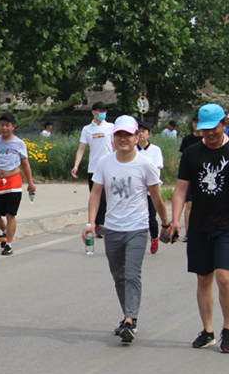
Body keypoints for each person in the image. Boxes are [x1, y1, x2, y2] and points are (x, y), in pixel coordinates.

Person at [171, 103, 229, 353]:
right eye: (204, 128)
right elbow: (181, 189)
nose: (209, 133)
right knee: (203, 278)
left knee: (223, 276)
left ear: (223, 124)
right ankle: (207, 331)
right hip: (199, 225)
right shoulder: (191, 154)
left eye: (214, 128)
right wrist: (175, 220)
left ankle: (228, 328)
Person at [83, 115, 170, 344]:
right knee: (119, 276)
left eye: (128, 135)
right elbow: (95, 194)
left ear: (136, 137)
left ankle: (130, 320)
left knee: (132, 273)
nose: (123, 139)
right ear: (114, 137)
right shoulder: (105, 163)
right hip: (112, 228)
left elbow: (156, 197)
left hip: (137, 227)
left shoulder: (145, 164)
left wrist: (165, 223)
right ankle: (128, 317)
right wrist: (90, 223)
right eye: (119, 135)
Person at [0, 112, 36, 255]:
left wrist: (30, 182)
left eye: (7, 125)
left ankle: (9, 244)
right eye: (2, 125)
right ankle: (5, 231)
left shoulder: (19, 143)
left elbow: (25, 163)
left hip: (14, 182)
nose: (4, 128)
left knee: (10, 215)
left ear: (13, 127)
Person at [71, 101, 114, 237]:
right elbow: (81, 149)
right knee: (96, 196)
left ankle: (104, 223)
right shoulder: (87, 129)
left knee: (107, 196)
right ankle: (99, 225)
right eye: (100, 111)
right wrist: (76, 165)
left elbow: (115, 147)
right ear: (93, 112)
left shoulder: (111, 127)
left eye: (104, 111)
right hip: (94, 168)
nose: (102, 113)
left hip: (109, 166)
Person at [136, 121, 164, 254]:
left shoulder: (155, 150)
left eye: (143, 131)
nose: (141, 134)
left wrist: (152, 184)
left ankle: (154, 238)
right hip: (136, 189)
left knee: (151, 217)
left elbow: (157, 169)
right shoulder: (132, 149)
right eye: (138, 131)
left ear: (149, 134)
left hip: (150, 189)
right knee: (136, 217)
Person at [179, 113, 204, 242]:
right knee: (189, 204)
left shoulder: (206, 139)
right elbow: (183, 158)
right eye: (194, 122)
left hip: (203, 176)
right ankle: (189, 233)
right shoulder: (187, 140)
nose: (196, 124)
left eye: (199, 121)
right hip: (189, 176)